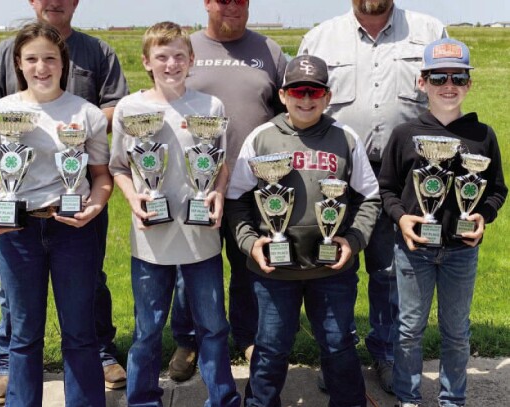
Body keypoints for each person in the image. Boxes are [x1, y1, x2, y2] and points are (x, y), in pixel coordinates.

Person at [0, 0, 129, 401]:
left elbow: (100, 176)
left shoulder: (87, 114)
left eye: (50, 58)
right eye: (31, 59)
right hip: (18, 231)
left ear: (64, 62)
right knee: (24, 334)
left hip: (73, 230)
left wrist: (94, 205)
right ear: (18, 64)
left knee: (79, 331)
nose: (41, 67)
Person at [298, 0, 446, 393]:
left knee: (390, 272)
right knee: (332, 268)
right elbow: (301, 104)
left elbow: (448, 98)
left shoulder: (430, 32)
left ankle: (386, 354)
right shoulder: (321, 37)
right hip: (335, 176)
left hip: (405, 177)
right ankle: (337, 356)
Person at [226, 54, 380, 407]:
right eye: (298, 91)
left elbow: (370, 198)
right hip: (274, 271)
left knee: (339, 344)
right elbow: (236, 200)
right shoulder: (262, 138)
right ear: (283, 95)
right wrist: (250, 242)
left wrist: (353, 240)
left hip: (332, 269)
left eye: (315, 91)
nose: (306, 99)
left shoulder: (345, 138)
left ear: (327, 96)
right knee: (270, 348)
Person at [109, 21, 241, 407]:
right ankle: (142, 399)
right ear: (146, 61)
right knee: (148, 329)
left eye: (179, 56)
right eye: (162, 57)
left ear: (192, 60)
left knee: (214, 326)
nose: (171, 64)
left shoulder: (209, 107)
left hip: (201, 238)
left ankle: (222, 399)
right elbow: (118, 166)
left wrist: (216, 194)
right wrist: (134, 198)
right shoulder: (130, 109)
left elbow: (219, 164)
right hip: (151, 239)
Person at [378, 38, 507, 407]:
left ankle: (453, 399)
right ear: (422, 83)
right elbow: (386, 188)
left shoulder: (482, 136)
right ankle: (408, 397)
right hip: (414, 250)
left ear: (469, 84)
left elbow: (497, 189)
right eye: (438, 78)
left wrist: (483, 215)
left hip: (460, 253)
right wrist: (401, 219)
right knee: (408, 330)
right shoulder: (405, 134)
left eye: (458, 77)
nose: (448, 85)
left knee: (456, 333)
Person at [167, 0, 288, 382]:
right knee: (193, 265)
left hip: (254, 184)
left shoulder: (269, 51)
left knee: (248, 265)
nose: (232, 7)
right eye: (223, 0)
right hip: (196, 185)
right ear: (207, 3)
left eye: (241, 0)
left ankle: (248, 336)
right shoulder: (188, 48)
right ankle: (187, 341)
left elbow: (288, 110)